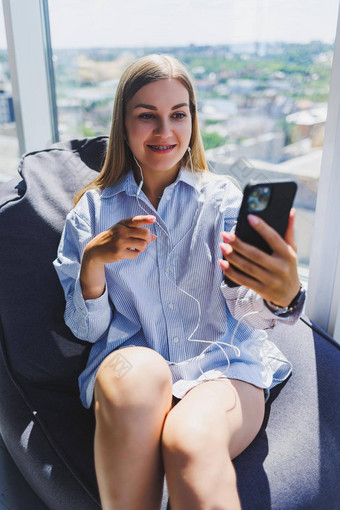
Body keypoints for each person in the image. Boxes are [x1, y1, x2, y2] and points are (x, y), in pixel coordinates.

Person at [54, 54, 305, 510]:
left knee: (189, 440)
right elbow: (86, 330)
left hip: (222, 365)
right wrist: (94, 260)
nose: (164, 131)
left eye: (178, 115)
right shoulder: (91, 213)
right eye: (146, 116)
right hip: (129, 366)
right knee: (140, 374)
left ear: (192, 121)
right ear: (123, 124)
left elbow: (246, 306)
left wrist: (280, 297)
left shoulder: (223, 200)